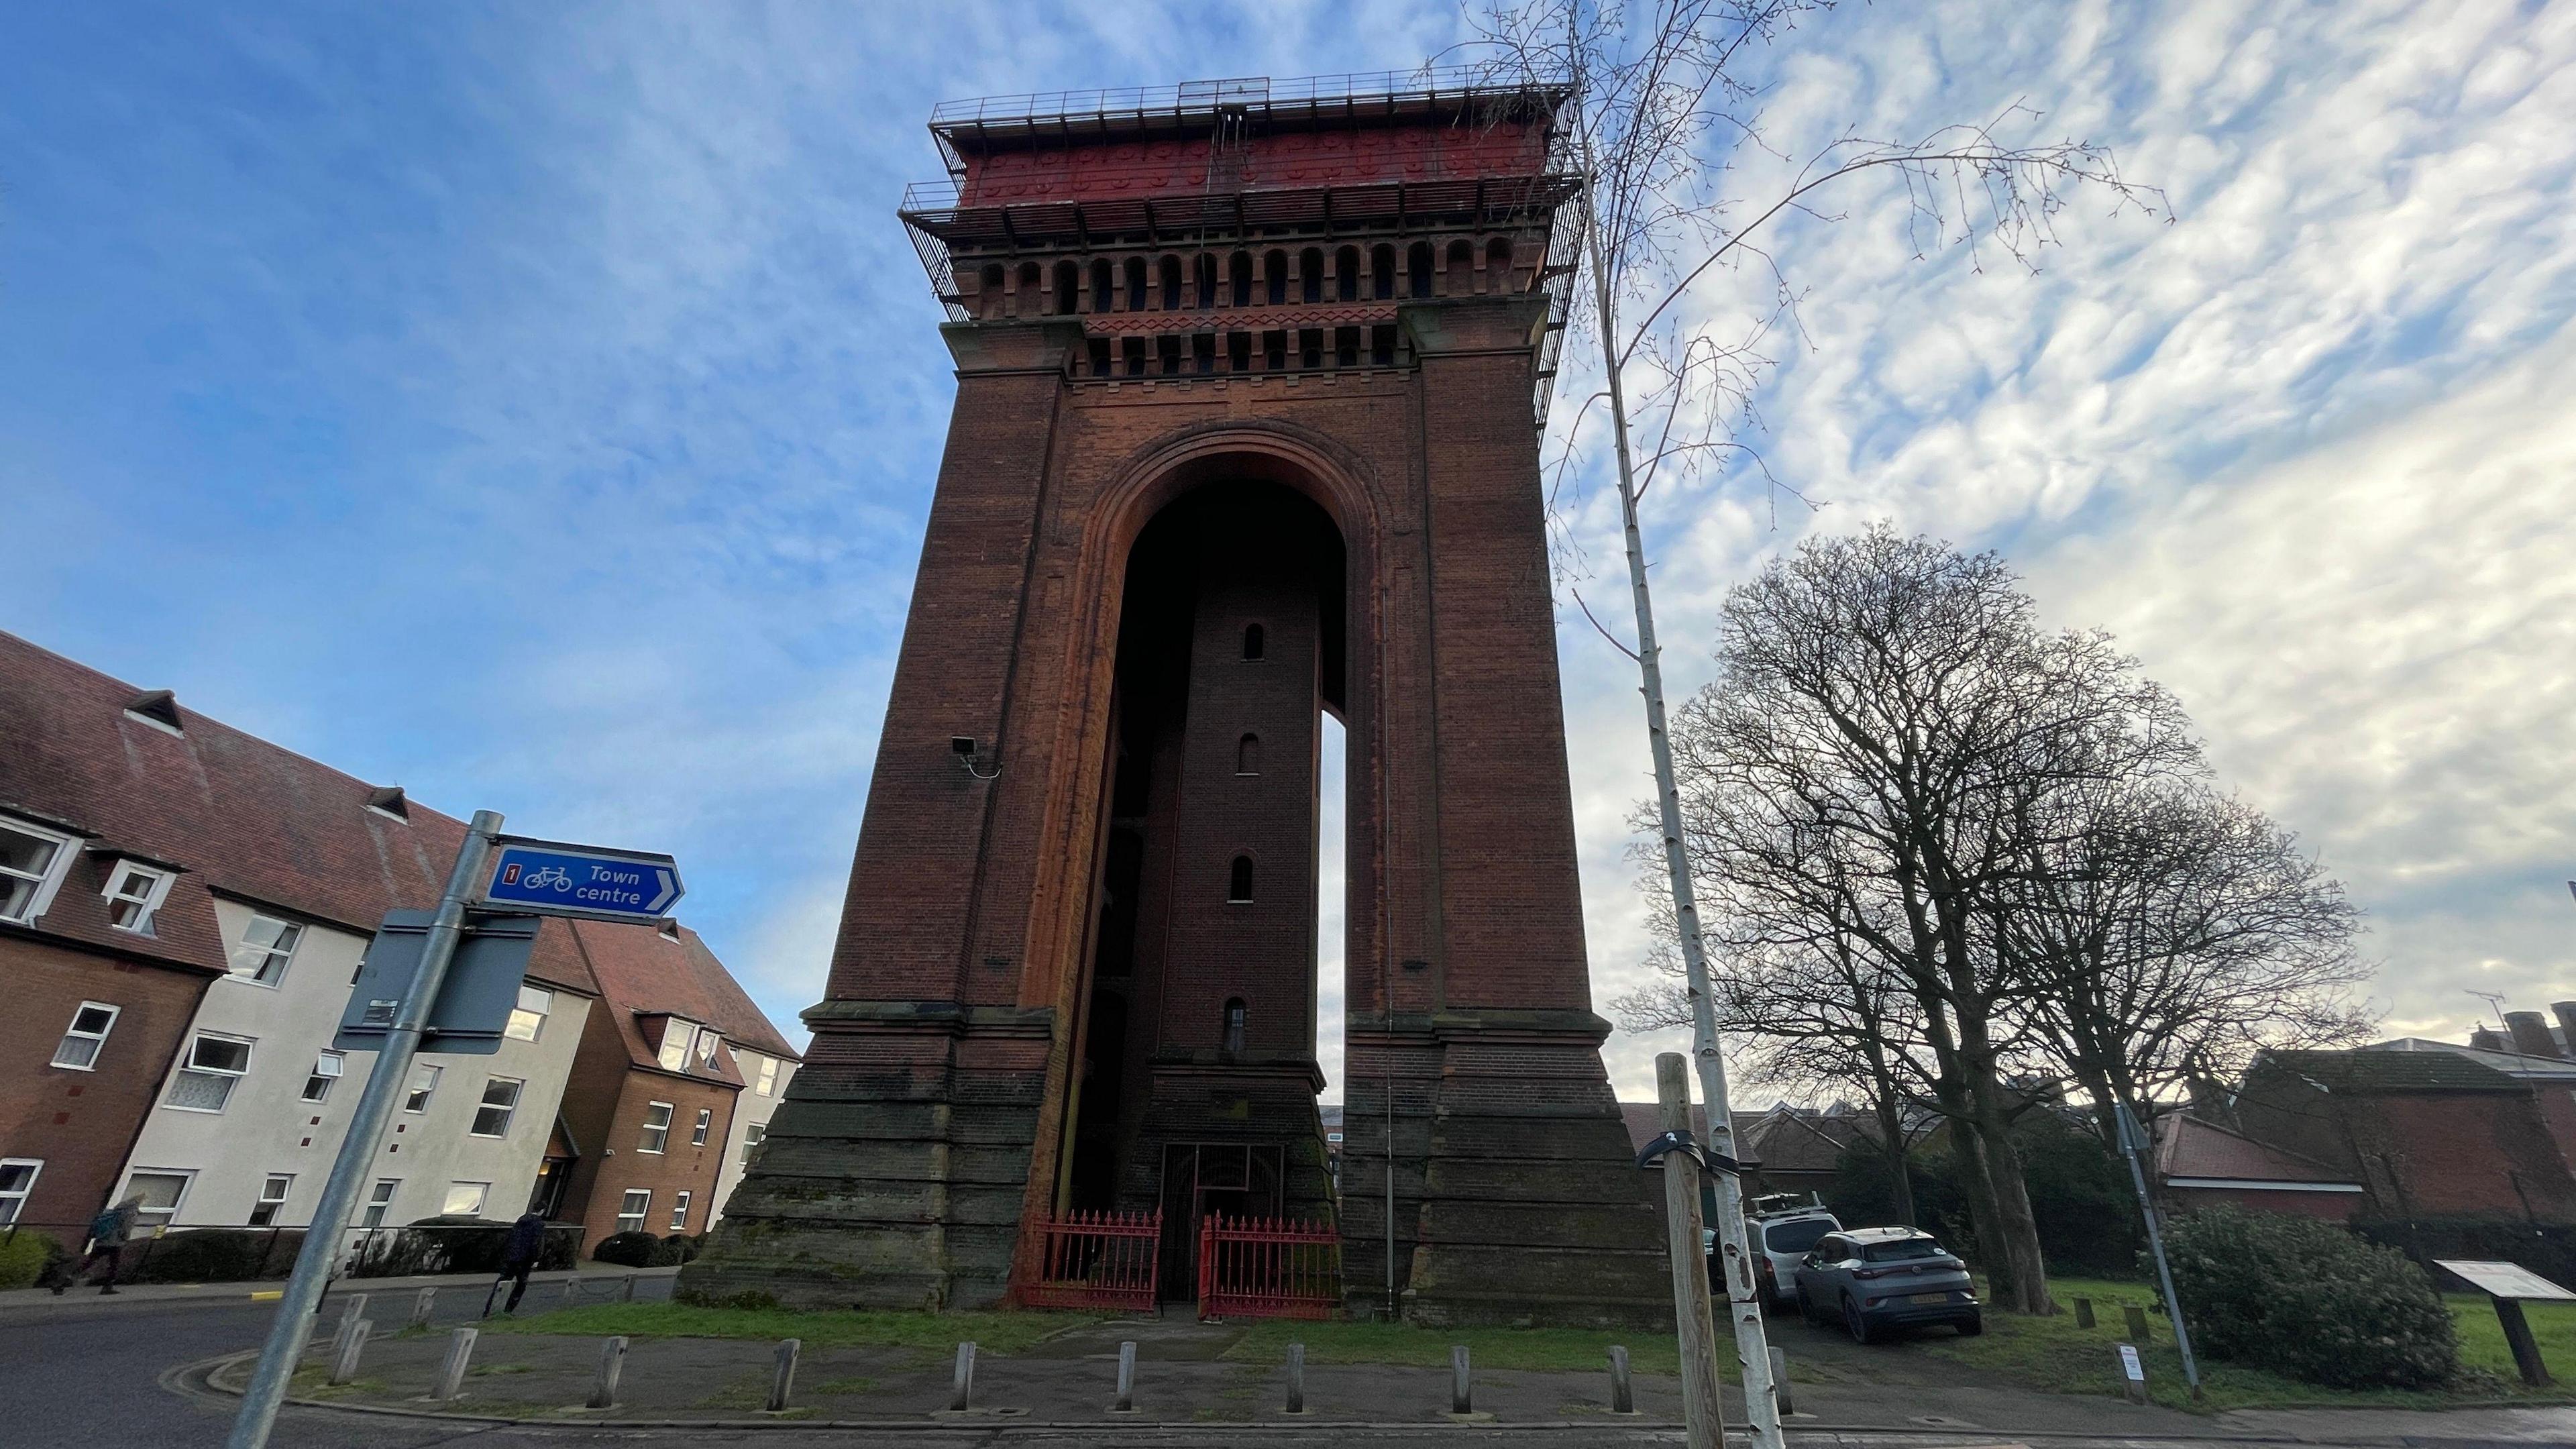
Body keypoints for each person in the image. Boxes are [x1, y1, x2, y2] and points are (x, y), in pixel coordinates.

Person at [56, 1195, 144, 1295]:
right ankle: (107, 1287)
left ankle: (62, 1283)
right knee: (113, 1266)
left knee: (89, 1263)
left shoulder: (116, 1210)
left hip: (101, 1241)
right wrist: (125, 1238)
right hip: (115, 1243)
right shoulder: (130, 1213)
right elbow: (126, 1229)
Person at [485, 1211, 548, 1316]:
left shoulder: (520, 1221)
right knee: (521, 1285)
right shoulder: (538, 1224)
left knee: (502, 1282)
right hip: (525, 1260)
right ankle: (507, 1310)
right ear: (543, 1211)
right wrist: (536, 1259)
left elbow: (511, 1239)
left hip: (512, 1257)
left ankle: (489, 1309)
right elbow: (536, 1243)